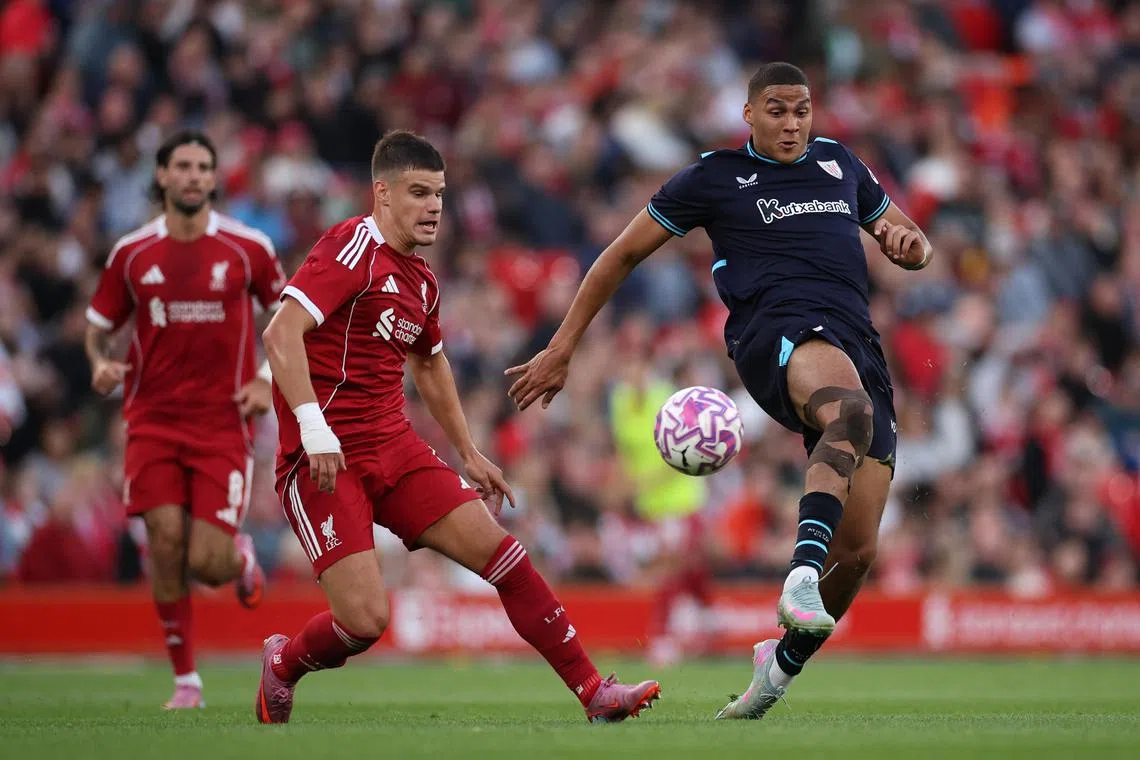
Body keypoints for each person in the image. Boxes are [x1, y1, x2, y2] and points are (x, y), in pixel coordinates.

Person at [505, 62, 934, 720]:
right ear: (749, 114)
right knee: (847, 412)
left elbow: (907, 239)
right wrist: (563, 346)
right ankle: (796, 576)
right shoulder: (715, 177)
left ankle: (778, 667)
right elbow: (619, 253)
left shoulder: (840, 165)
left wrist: (911, 247)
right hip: (775, 332)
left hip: (859, 344)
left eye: (802, 111)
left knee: (857, 552)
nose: (791, 124)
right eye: (777, 110)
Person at [255, 130, 660, 725]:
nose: (433, 206)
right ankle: (285, 661)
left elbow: (430, 360)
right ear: (382, 194)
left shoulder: (421, 279)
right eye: (418, 193)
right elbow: (280, 334)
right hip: (322, 458)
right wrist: (314, 429)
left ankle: (594, 692)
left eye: (439, 194)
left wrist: (468, 452)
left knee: (508, 559)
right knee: (365, 621)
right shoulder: (351, 247)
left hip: (394, 447)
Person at [85, 130, 284, 709]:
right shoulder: (133, 253)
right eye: (184, 166)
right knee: (164, 542)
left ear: (214, 179)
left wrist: (265, 379)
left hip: (223, 423)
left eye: (204, 167)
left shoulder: (248, 249)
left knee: (206, 561)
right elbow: (97, 324)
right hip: (151, 419)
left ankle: (239, 558)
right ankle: (186, 681)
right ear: (163, 176)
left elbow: (293, 317)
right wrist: (100, 362)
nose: (194, 176)